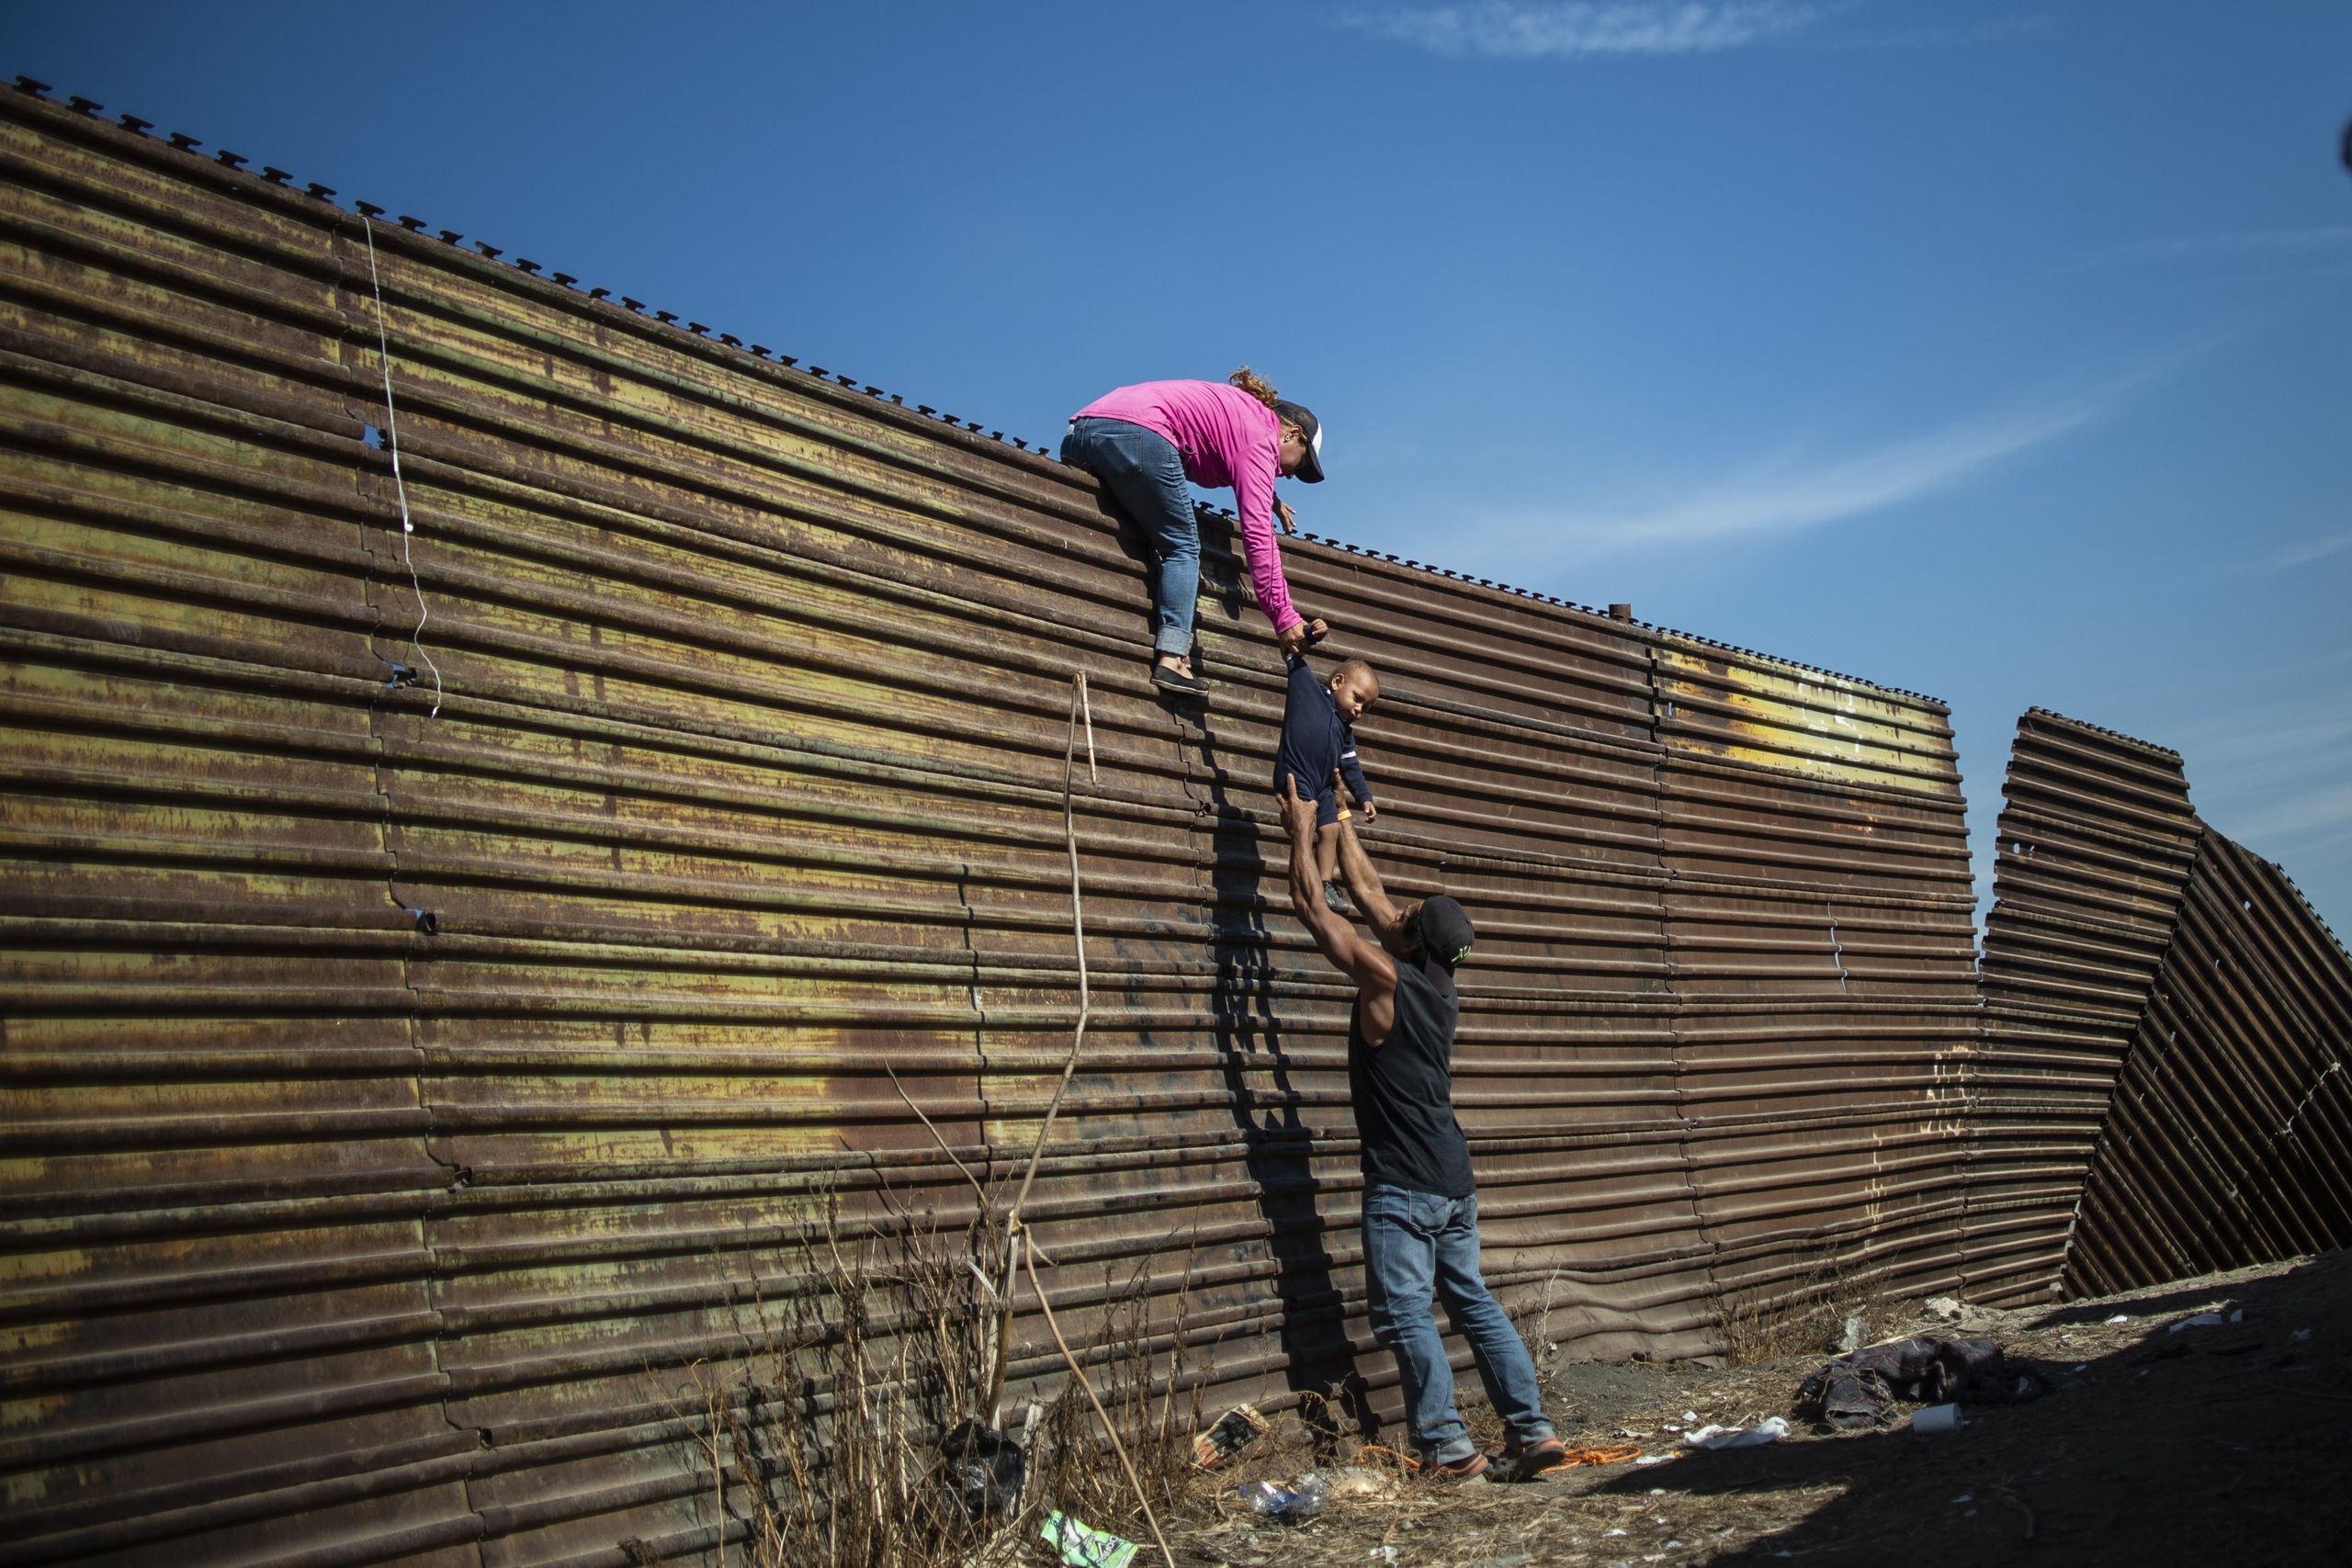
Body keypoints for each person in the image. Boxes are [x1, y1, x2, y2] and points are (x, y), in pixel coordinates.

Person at [1277, 775, 1566, 1482]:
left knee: (1405, 1311)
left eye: (1408, 912)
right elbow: (1372, 896)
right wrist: (1338, 812)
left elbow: (1317, 909)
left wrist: (1296, 826)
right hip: (1454, 1181)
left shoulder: (1386, 981)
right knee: (1469, 1297)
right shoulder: (1437, 983)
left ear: (1410, 941)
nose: (1395, 907)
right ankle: (1533, 1432)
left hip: (1405, 1185)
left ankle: (1446, 1447)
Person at [1061, 368, 1330, 697]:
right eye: (1301, 464)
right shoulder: (1262, 435)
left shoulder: (1243, 413)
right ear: (1291, 434)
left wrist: (1270, 498)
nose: (1291, 475)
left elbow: (1223, 448)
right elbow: (1259, 535)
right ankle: (1173, 658)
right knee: (1184, 546)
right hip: (1140, 433)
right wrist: (1284, 616)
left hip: (1083, 431)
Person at [1274, 652, 1381, 914]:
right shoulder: (1308, 691)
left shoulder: (1345, 733)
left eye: (1365, 708)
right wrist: (1307, 634)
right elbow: (1292, 653)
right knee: (1305, 824)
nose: (1358, 710)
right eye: (1357, 699)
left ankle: (1325, 883)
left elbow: (1351, 767)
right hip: (1295, 775)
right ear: (1337, 682)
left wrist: (1364, 797)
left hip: (1322, 786)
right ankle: (1304, 879)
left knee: (1331, 829)